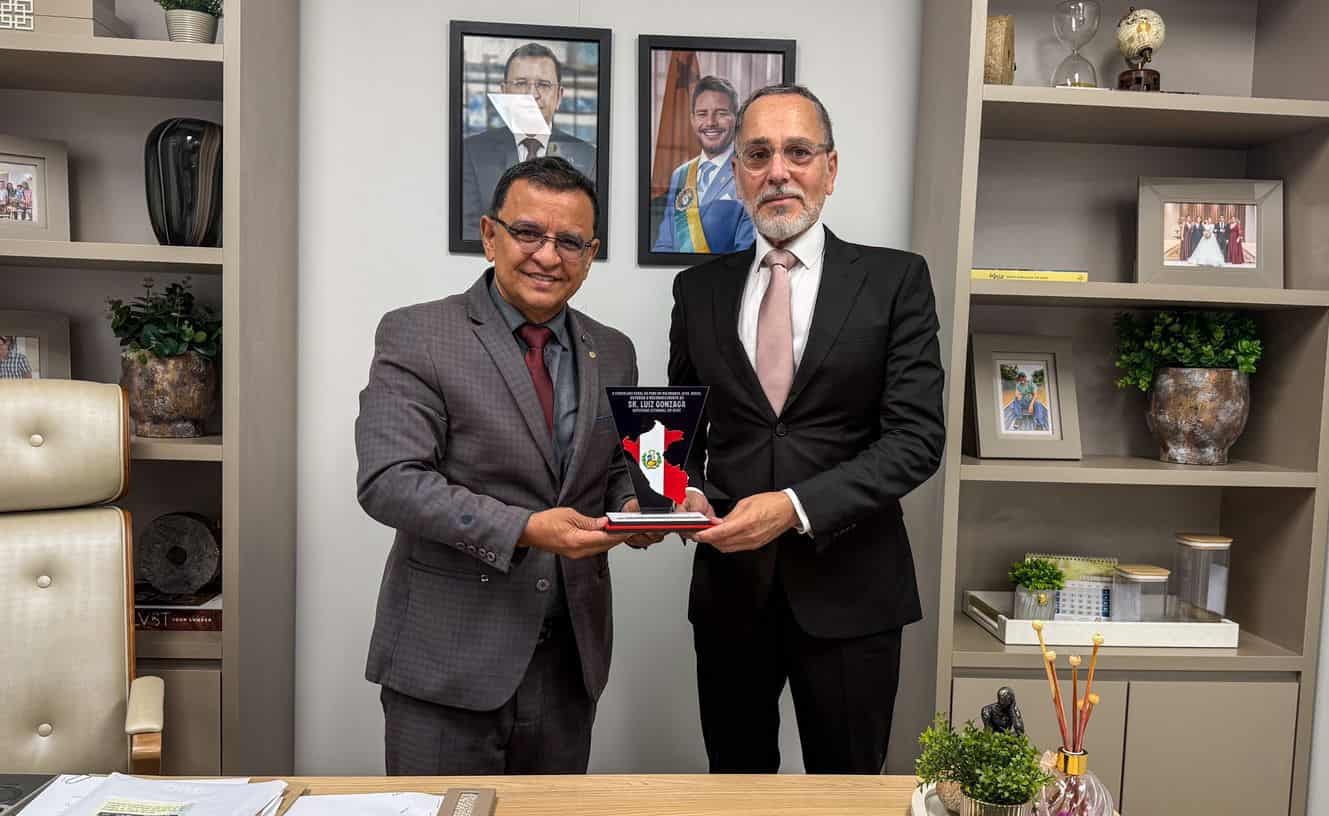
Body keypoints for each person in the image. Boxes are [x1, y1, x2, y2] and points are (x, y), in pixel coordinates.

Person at [667, 84, 946, 775]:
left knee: (847, 800)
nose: (778, 172)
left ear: (830, 167)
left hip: (855, 591)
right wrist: (680, 491)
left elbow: (916, 440)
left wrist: (793, 507)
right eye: (758, 155)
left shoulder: (895, 281)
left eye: (798, 152)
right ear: (738, 173)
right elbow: (677, 435)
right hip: (731, 593)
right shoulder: (697, 291)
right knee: (736, 792)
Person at [356, 156, 656, 776]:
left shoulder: (613, 351)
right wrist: (524, 528)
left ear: (591, 254)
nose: (548, 255)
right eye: (528, 233)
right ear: (490, 235)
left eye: (569, 241)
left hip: (568, 665)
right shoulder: (418, 334)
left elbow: (612, 471)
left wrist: (640, 508)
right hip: (447, 665)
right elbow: (390, 481)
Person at [461, 43, 597, 242]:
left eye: (543, 84)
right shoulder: (472, 152)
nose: (532, 95)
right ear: (504, 91)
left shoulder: (589, 158)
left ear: (559, 96)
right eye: (521, 83)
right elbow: (469, 231)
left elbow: (585, 233)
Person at [654, 75, 755, 254]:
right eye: (702, 114)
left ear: (737, 118)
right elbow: (664, 244)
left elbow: (746, 252)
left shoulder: (749, 172)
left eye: (721, 113)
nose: (710, 123)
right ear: (692, 119)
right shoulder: (680, 174)